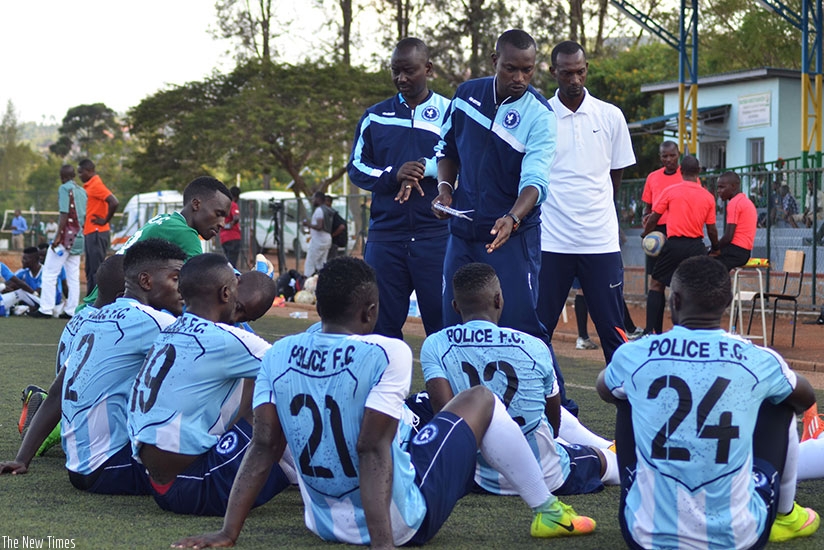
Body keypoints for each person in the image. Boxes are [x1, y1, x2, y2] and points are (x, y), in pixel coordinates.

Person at [172, 257, 595, 548]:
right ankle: (547, 510)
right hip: (396, 523)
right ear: (370, 311)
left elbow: (264, 446)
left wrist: (229, 532)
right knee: (481, 398)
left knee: (404, 428)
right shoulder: (386, 351)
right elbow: (371, 446)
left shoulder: (278, 352)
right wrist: (383, 543)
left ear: (318, 306)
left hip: (320, 524)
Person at [597, 255, 820, 547]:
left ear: (674, 301)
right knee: (780, 401)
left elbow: (603, 387)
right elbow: (805, 396)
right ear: (727, 304)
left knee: (625, 394)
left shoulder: (635, 354)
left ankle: (644, 495)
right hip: (738, 538)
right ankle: (785, 515)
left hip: (644, 536)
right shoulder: (758, 359)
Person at [421, 262, 618, 497]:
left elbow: (445, 419)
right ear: (498, 300)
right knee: (607, 461)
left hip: (479, 478)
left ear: (455, 306)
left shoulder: (436, 344)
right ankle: (617, 454)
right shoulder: (533, 345)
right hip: (545, 473)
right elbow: (553, 422)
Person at [129, 253, 290, 516]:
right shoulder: (225, 340)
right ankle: (329, 486)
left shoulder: (169, 331)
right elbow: (296, 371)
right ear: (227, 294)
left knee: (253, 378)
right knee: (291, 396)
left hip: (158, 484)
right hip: (196, 484)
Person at [537, 40, 636, 367]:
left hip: (600, 242)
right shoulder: (541, 116)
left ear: (586, 69)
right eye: (567, 73)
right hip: (552, 242)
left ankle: (627, 406)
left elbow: (615, 178)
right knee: (539, 329)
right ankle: (533, 404)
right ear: (553, 72)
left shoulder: (611, 116)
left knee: (613, 329)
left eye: (580, 71)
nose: (575, 79)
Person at [348, 37, 450, 338]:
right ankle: (384, 386)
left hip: (436, 236)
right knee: (378, 326)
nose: (401, 78)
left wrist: (425, 169)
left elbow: (464, 162)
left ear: (428, 68)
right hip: (386, 237)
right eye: (395, 71)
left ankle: (444, 387)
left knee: (443, 326)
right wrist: (394, 174)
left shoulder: (450, 112)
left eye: (409, 71)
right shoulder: (375, 116)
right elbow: (356, 167)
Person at [1, 254, 127, 476]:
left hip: (64, 405)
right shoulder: (116, 325)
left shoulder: (82, 315)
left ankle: (39, 401)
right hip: (76, 416)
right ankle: (39, 412)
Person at [81, 176, 232, 309]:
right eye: (218, 214)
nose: (222, 223)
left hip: (94, 305)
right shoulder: (185, 234)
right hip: (110, 311)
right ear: (196, 204)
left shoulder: (165, 219)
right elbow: (198, 289)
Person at [642, 155, 718, 335]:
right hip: (696, 247)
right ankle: (694, 331)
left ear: (681, 171)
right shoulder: (708, 196)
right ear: (698, 172)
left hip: (674, 245)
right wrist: (716, 247)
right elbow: (712, 229)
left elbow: (654, 217)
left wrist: (646, 234)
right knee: (694, 289)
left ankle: (651, 332)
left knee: (656, 285)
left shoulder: (671, 191)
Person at [32, 164, 87, 319]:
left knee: (49, 272)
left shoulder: (64, 188)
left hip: (65, 238)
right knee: (74, 276)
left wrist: (57, 236)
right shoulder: (83, 192)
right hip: (79, 238)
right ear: (74, 175)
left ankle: (46, 309)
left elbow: (64, 213)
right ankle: (71, 311)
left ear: (62, 176)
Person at [640, 141, 682, 280]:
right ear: (660, 157)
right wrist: (645, 217)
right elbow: (648, 206)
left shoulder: (687, 176)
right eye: (665, 156)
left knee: (679, 277)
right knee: (656, 279)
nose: (669, 159)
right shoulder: (652, 177)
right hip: (656, 231)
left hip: (679, 230)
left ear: (678, 155)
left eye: (672, 155)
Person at [78, 159, 119, 293]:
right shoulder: (89, 186)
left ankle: (97, 301)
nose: (79, 176)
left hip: (97, 232)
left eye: (81, 172)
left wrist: (105, 220)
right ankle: (90, 300)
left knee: (96, 270)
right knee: (90, 269)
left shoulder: (96, 185)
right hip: (90, 231)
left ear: (89, 171)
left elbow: (114, 202)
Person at [713, 171, 758, 270]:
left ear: (733, 186)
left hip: (735, 251)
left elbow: (728, 237)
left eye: (722, 187)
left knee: (704, 262)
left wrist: (714, 248)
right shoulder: (746, 201)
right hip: (744, 252)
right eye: (718, 187)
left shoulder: (734, 203)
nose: (719, 191)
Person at [1, 246, 65, 315]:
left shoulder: (46, 273)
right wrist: (8, 288)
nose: (23, 261)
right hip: (33, 300)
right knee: (17, 287)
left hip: (45, 300)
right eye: (23, 259)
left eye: (25, 259)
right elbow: (9, 284)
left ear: (34, 259)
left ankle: (47, 309)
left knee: (21, 289)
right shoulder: (23, 272)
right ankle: (26, 309)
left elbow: (39, 292)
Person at [302, 191, 332, 277]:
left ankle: (306, 283)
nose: (312, 201)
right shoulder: (326, 209)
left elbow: (319, 226)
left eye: (314, 199)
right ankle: (322, 280)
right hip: (326, 239)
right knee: (321, 263)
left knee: (310, 263)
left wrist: (307, 224)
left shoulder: (319, 210)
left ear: (318, 199)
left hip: (319, 240)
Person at [220, 186, 242, 268]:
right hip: (233, 236)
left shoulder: (224, 205)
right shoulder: (233, 204)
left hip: (224, 238)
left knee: (228, 261)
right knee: (232, 264)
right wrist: (230, 225)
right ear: (237, 196)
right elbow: (236, 218)